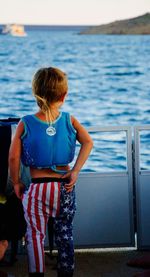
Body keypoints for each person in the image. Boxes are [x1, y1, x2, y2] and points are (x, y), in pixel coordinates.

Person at [9, 67, 93, 277]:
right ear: (64, 96)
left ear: (35, 94)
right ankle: (66, 272)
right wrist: (75, 171)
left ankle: (37, 273)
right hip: (63, 187)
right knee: (64, 233)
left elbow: (13, 157)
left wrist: (17, 182)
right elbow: (88, 142)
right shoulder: (69, 119)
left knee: (35, 235)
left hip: (36, 189)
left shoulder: (25, 122)